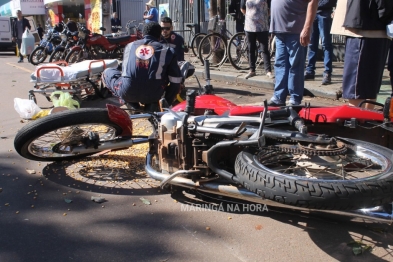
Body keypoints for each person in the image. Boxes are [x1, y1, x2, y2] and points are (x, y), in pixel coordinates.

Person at [101, 22, 182, 111]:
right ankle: (153, 105)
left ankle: (128, 102)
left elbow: (125, 72)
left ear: (143, 34)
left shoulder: (129, 46)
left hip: (127, 92)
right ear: (159, 37)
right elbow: (176, 82)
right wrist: (166, 102)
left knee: (107, 73)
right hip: (154, 95)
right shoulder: (168, 51)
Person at [331, 0, 393, 109]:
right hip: (370, 26)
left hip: (366, 27)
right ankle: (363, 120)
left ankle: (359, 121)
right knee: (368, 89)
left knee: (358, 90)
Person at [267, 0, 318, 106]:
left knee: (295, 66)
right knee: (280, 65)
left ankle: (295, 98)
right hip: (280, 30)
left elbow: (313, 1)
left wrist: (307, 28)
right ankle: (278, 97)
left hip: (295, 30)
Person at [304, 0, 337, 85]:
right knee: (311, 44)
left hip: (325, 11)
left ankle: (327, 72)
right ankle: (310, 71)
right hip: (312, 11)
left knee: (326, 43)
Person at [241, 0, 273, 79]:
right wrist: (250, 16)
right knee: (251, 49)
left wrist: (263, 17)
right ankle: (252, 70)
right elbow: (242, 8)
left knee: (264, 49)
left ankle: (268, 70)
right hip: (249, 26)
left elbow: (270, 8)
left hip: (262, 26)